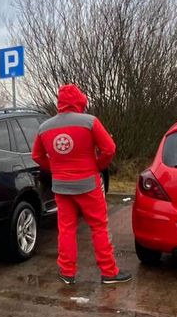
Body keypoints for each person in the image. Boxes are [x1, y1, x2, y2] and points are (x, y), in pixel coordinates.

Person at [32, 84, 132, 285]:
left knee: (66, 229)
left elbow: (37, 155)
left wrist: (55, 168)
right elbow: (109, 149)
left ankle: (67, 272)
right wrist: (97, 166)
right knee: (98, 227)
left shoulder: (44, 128)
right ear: (80, 101)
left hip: (61, 186)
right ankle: (109, 272)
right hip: (88, 185)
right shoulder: (89, 121)